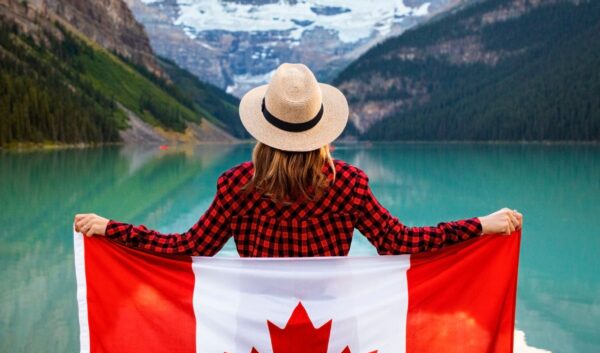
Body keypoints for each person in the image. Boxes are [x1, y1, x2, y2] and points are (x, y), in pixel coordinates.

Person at [74, 63, 522, 257]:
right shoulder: (348, 183)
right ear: (321, 129)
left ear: (263, 127)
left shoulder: (237, 186)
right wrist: (482, 225)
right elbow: (398, 241)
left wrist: (112, 229)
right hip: (333, 334)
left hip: (256, 337)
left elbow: (187, 248)